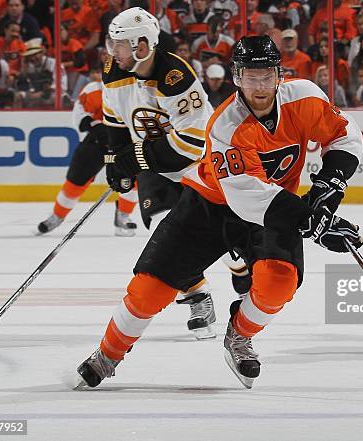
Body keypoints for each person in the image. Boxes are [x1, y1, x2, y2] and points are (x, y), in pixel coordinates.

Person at [76, 35, 363, 389]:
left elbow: (343, 135)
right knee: (149, 289)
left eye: (267, 76)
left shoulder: (304, 96)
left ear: (279, 75)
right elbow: (249, 198)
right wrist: (312, 221)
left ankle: (239, 336)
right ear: (237, 77)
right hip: (208, 207)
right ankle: (108, 354)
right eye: (250, 77)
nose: (260, 86)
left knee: (279, 283)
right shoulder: (226, 125)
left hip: (273, 209)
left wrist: (328, 188)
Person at [98, 7, 248, 340]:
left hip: (201, 164)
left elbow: (193, 143)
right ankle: (197, 296)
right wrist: (113, 160)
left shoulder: (174, 75)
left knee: (222, 245)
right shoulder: (112, 71)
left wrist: (134, 157)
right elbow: (114, 122)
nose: (112, 51)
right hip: (156, 161)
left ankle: (241, 269)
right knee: (168, 229)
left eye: (119, 44)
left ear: (141, 46)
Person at [36, 63, 139, 237]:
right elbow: (80, 114)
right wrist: (96, 127)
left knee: (132, 180)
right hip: (98, 143)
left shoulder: (138, 88)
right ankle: (57, 215)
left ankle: (123, 216)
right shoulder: (94, 89)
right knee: (76, 179)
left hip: (126, 143)